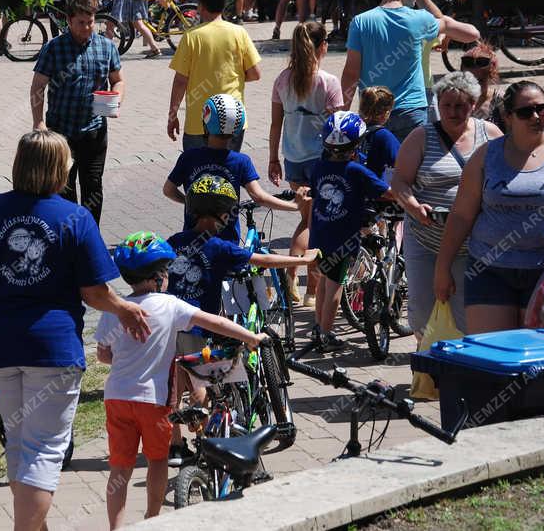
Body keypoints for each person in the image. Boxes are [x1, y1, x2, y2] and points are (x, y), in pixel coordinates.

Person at [0, 130, 151, 531]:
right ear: (61, 168)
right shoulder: (75, 217)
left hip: (0, 346)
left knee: (22, 447)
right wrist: (124, 308)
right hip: (52, 349)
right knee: (42, 451)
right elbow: (93, 292)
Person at [96, 231, 267, 529]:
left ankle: (116, 527)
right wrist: (251, 336)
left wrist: (127, 360)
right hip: (153, 400)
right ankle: (152, 518)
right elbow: (214, 321)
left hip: (116, 397)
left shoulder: (116, 309)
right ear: (158, 276)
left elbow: (102, 355)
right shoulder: (170, 305)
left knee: (119, 469)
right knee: (158, 460)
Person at [164, 176, 315, 463]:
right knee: (200, 387)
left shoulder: (175, 241)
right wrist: (303, 262)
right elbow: (263, 260)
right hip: (199, 327)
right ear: (224, 214)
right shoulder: (220, 247)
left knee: (173, 386)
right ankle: (210, 447)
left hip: (167, 325)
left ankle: (175, 446)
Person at [435, 81, 544, 334]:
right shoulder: (486, 156)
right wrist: (442, 268)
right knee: (492, 357)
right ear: (508, 117)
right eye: (525, 112)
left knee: (538, 360)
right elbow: (461, 216)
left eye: (542, 109)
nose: (536, 117)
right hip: (489, 270)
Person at [391, 73, 501, 336]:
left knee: (467, 314)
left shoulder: (491, 135)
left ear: (473, 104)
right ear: (438, 105)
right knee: (423, 313)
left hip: (472, 242)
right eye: (446, 105)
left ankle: (462, 369)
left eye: (460, 105)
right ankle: (426, 369)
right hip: (426, 237)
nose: (453, 112)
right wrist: (414, 206)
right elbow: (400, 182)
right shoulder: (421, 137)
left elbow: (503, 179)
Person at [340, 0, 480, 142]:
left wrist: (343, 113)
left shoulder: (360, 22)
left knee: (376, 167)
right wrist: (445, 29)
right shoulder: (420, 19)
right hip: (411, 110)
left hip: (372, 111)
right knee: (413, 166)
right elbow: (472, 34)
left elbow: (351, 72)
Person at [30, 0, 124, 225]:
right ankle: (68, 235)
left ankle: (90, 235)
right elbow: (38, 87)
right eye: (81, 22)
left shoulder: (106, 46)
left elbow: (118, 80)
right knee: (63, 186)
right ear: (69, 21)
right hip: (61, 132)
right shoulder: (54, 48)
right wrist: (38, 122)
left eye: (90, 22)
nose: (87, 27)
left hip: (95, 131)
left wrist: (117, 98)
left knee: (93, 185)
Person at [269, 22, 343, 304]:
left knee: (306, 218)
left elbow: (276, 123)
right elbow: (339, 129)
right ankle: (308, 288)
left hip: (294, 159)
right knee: (317, 224)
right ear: (322, 46)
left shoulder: (282, 80)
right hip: (321, 161)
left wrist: (274, 158)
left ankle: (295, 282)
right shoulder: (328, 81)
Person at [309, 111, 393, 351]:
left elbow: (315, 197)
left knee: (325, 282)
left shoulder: (319, 167)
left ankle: (318, 327)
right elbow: (385, 191)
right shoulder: (357, 171)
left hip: (319, 235)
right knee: (336, 285)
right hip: (342, 238)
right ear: (357, 144)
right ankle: (326, 334)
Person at [165, 93, 300, 238]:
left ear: (205, 122)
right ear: (238, 128)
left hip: (193, 238)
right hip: (227, 242)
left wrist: (191, 202)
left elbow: (168, 190)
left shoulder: (188, 157)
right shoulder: (241, 161)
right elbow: (259, 197)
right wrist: (294, 205)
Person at [168, 0, 262, 152]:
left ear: (201, 7)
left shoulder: (191, 37)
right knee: (228, 172)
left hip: (199, 121)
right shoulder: (239, 33)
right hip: (232, 118)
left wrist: (172, 115)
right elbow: (255, 73)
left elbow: (180, 81)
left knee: (197, 173)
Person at [357, 86, 401, 181]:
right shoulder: (384, 136)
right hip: (376, 187)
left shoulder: (354, 130)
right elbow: (399, 162)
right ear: (386, 113)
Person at [460, 42, 504, 130]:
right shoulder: (456, 99)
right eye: (469, 80)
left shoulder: (499, 100)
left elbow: (512, 134)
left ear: (491, 76)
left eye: (480, 80)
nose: (474, 86)